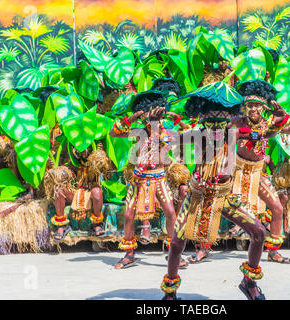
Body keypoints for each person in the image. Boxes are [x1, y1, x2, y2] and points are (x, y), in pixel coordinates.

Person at [161, 83, 268, 300]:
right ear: (203, 124)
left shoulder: (236, 134)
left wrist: (282, 117)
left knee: (259, 233)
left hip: (226, 197)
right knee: (176, 243)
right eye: (212, 125)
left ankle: (249, 283)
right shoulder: (196, 136)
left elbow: (268, 132)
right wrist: (158, 122)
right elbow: (166, 137)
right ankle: (170, 293)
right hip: (198, 197)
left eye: (221, 125)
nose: (217, 131)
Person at [227, 79, 290, 264]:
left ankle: (273, 250)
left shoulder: (271, 124)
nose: (253, 109)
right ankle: (202, 248)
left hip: (258, 174)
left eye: (257, 106)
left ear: (264, 108)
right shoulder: (237, 122)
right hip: (236, 173)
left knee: (277, 208)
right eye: (250, 105)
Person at [109, 90, 182, 269]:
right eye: (148, 115)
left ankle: (174, 254)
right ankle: (129, 254)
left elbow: (177, 138)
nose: (150, 119)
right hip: (138, 180)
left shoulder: (165, 132)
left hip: (159, 179)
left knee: (171, 213)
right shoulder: (137, 131)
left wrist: (173, 122)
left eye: (154, 115)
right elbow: (113, 133)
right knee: (128, 215)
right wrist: (129, 120)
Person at [50, 146, 106, 242]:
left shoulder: (97, 160)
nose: (82, 151)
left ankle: (96, 224)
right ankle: (62, 226)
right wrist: (52, 167)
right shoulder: (72, 163)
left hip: (90, 192)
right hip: (75, 192)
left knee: (97, 192)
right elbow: (61, 172)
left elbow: (106, 168)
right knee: (59, 192)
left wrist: (100, 152)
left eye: (85, 148)